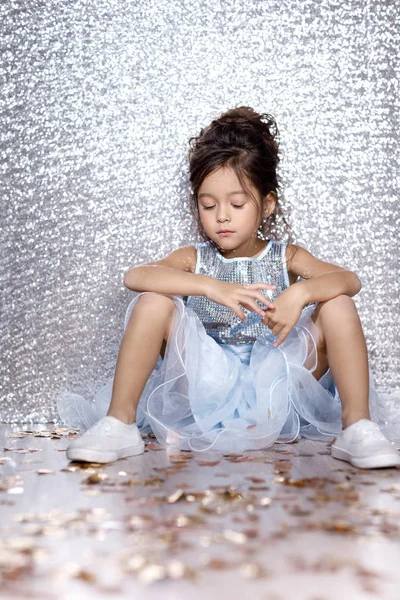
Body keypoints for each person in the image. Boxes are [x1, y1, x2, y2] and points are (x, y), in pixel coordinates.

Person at [59, 106, 400, 469]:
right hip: (206, 386)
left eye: (237, 204)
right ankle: (119, 423)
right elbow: (135, 277)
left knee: (337, 304)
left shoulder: (287, 256)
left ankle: (357, 427)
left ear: (266, 205)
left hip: (276, 389)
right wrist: (210, 287)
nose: (222, 216)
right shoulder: (195, 258)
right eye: (208, 205)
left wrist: (301, 293)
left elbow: (350, 281)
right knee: (153, 302)